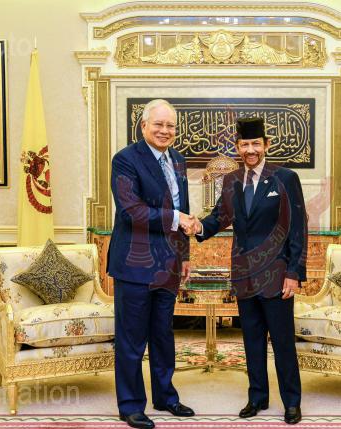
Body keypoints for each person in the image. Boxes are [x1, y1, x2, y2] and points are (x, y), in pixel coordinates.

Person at [190, 117, 307, 425]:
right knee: (252, 341)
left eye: (256, 144)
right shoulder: (231, 180)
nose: (251, 150)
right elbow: (220, 216)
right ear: (238, 147)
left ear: (266, 145)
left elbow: (297, 228)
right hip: (244, 275)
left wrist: (294, 273)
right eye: (245, 144)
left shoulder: (285, 178)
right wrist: (198, 226)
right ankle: (257, 397)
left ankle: (292, 402)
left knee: (282, 342)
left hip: (277, 275)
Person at [108, 99, 197, 429]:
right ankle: (131, 405)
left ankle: (166, 397)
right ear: (143, 126)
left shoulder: (178, 160)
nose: (165, 130)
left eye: (170, 125)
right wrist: (177, 218)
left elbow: (182, 207)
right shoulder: (125, 160)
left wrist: (185, 255)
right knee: (132, 339)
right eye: (158, 124)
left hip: (168, 264)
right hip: (135, 262)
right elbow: (131, 211)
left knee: (162, 335)